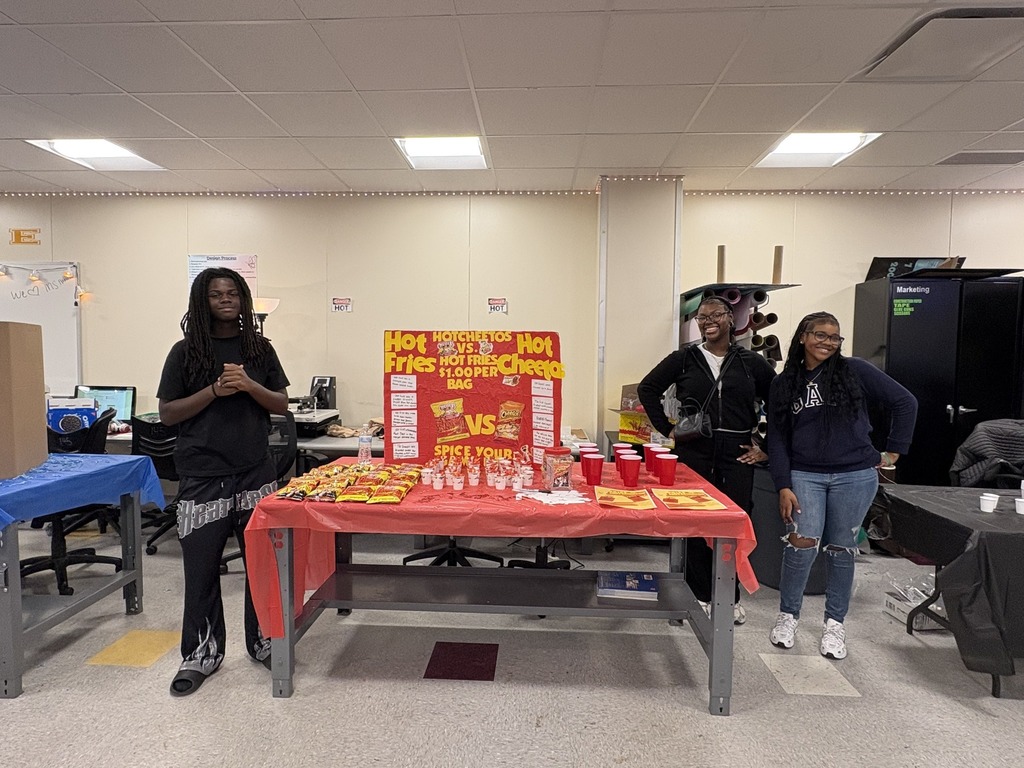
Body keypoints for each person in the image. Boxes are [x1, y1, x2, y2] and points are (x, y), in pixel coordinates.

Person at [157, 267, 290, 696]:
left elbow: (282, 405)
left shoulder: (259, 348)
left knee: (263, 567)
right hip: (201, 475)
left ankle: (264, 641)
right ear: (203, 301)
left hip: (254, 472)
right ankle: (201, 652)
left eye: (232, 293)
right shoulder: (184, 353)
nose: (226, 299)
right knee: (199, 571)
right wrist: (214, 390)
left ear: (243, 299)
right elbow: (168, 413)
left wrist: (249, 385)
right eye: (216, 294)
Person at [765, 311, 917, 660]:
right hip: (805, 474)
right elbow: (777, 439)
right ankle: (788, 616)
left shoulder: (855, 370)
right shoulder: (784, 383)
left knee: (841, 549)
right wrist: (783, 484)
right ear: (803, 336)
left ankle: (835, 624)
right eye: (820, 335)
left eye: (835, 337)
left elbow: (906, 402)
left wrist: (895, 450)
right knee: (801, 545)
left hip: (855, 474)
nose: (828, 342)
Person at [638, 296, 775, 625]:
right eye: (702, 317)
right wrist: (669, 430)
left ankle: (730, 595)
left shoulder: (750, 362)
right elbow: (648, 388)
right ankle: (699, 593)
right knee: (696, 523)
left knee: (735, 526)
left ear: (731, 318)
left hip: (738, 453)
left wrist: (766, 446)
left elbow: (779, 403)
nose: (707, 321)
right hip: (694, 451)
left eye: (715, 315)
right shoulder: (684, 359)